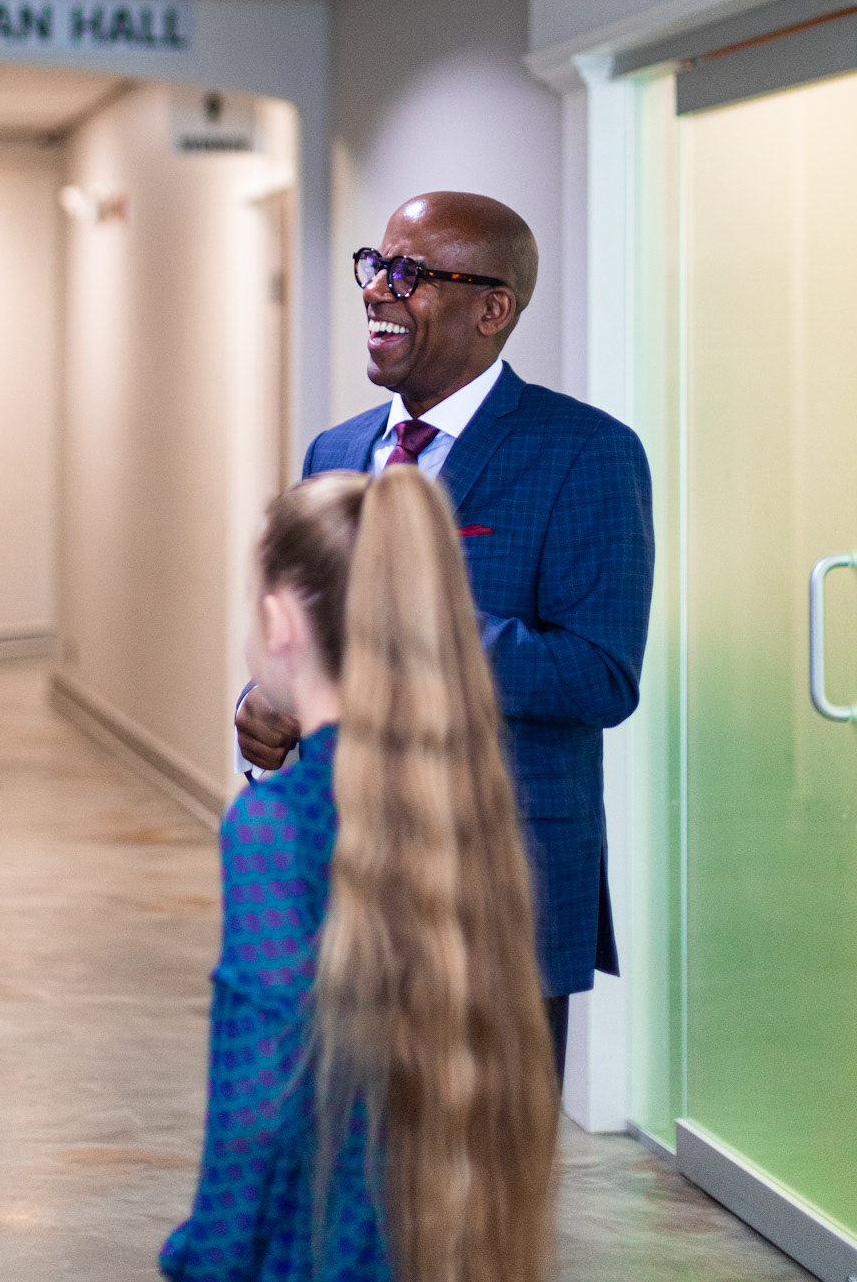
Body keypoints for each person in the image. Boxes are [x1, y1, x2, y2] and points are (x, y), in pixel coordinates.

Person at [236, 191, 654, 1084]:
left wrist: (409, 625)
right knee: (347, 1147)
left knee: (481, 1161)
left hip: (496, 881)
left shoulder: (584, 452)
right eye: (375, 264)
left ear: (491, 309)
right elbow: (309, 641)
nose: (376, 290)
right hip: (340, 876)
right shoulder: (334, 452)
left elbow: (598, 676)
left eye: (410, 274)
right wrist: (269, 702)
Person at [165, 467, 558, 1282]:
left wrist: (203, 1260)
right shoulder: (465, 800)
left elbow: (255, 1102)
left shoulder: (275, 824)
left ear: (279, 623)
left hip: (312, 1247)